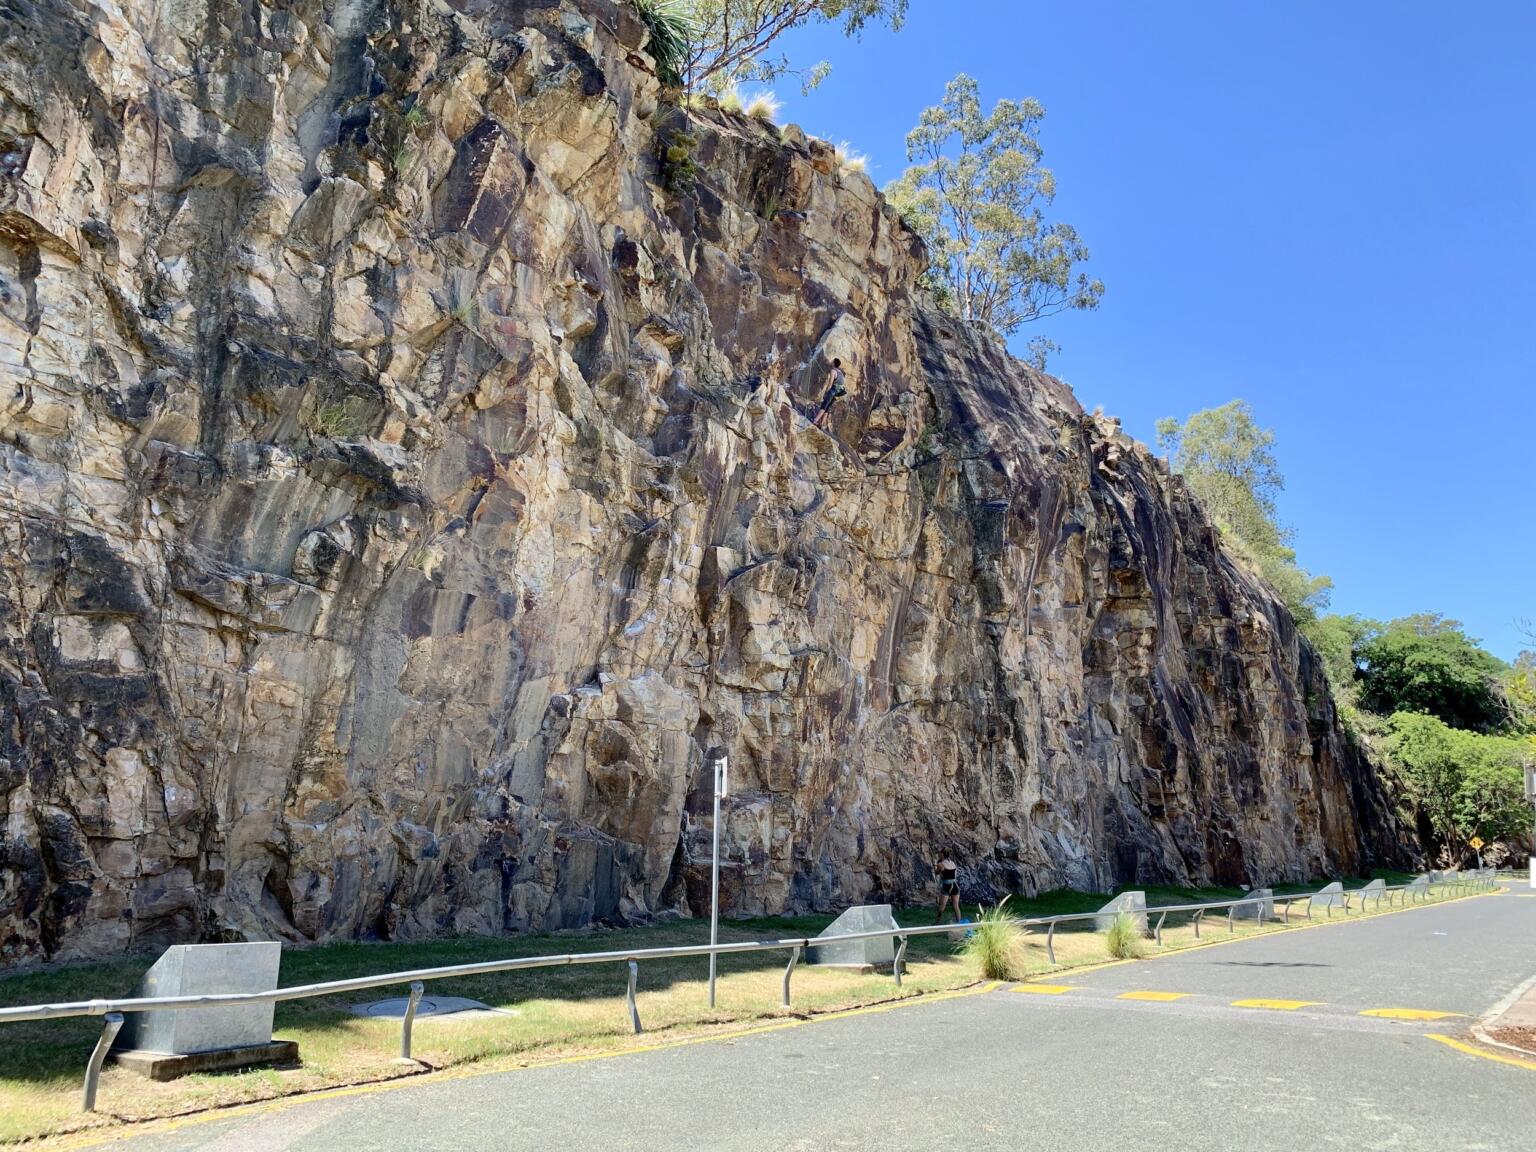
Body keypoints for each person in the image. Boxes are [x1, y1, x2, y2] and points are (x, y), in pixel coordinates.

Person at [811, 358, 846, 429]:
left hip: (834, 390)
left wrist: (826, 392)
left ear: (834, 363)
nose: (831, 362)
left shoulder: (833, 371)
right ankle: (821, 423)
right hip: (839, 392)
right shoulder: (840, 372)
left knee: (824, 405)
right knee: (828, 407)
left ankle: (815, 420)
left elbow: (830, 383)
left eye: (832, 361)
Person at [935, 854, 961, 924]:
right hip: (955, 885)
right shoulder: (952, 863)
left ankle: (937, 923)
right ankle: (959, 923)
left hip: (947, 885)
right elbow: (955, 874)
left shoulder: (940, 864)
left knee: (941, 906)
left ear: (942, 855)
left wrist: (937, 867)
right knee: (956, 906)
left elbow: (936, 873)